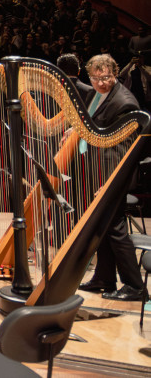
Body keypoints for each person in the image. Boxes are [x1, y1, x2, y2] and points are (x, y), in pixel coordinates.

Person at [78, 54, 146, 302]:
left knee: (115, 228)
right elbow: (92, 124)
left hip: (116, 175)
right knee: (103, 227)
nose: (101, 83)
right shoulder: (96, 95)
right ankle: (104, 278)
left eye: (106, 78)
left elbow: (122, 152)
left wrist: (107, 184)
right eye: (96, 79)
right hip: (101, 171)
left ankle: (135, 286)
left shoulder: (124, 103)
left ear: (115, 74)